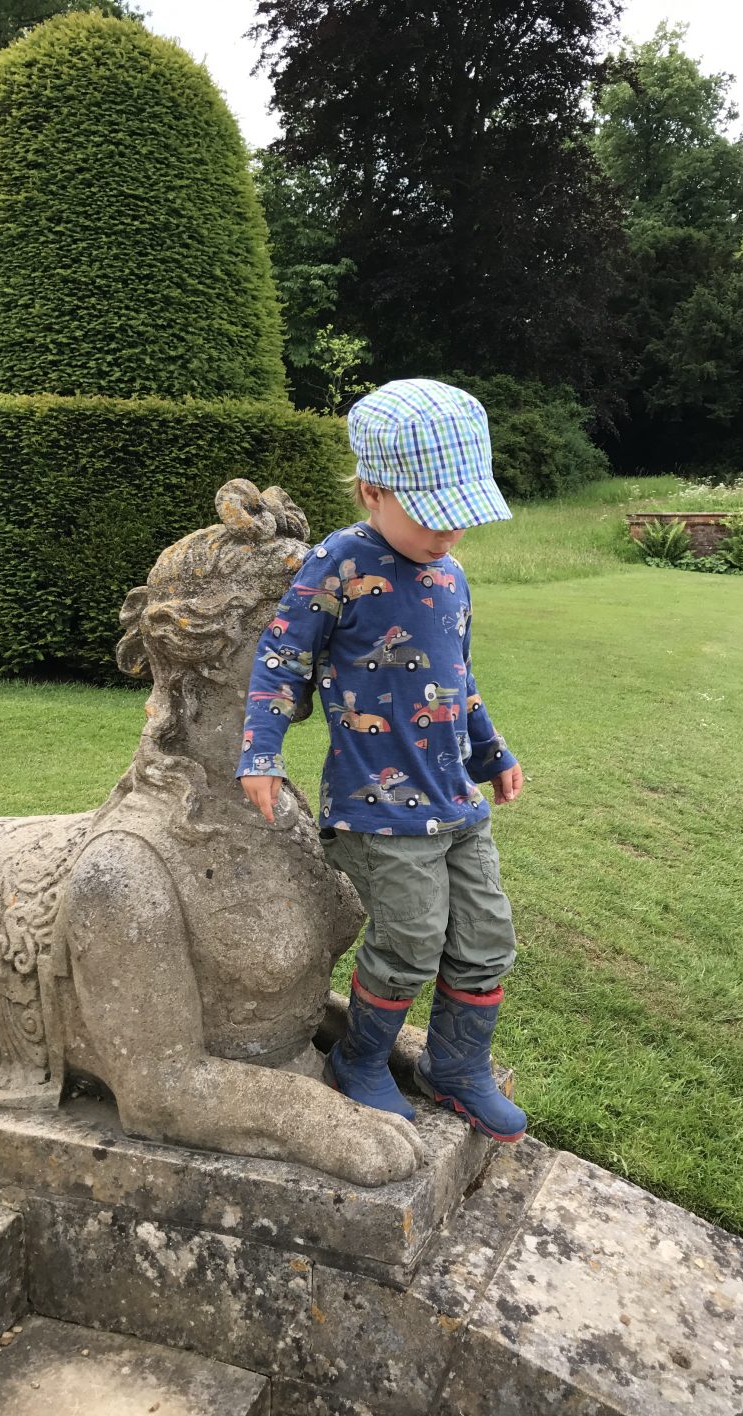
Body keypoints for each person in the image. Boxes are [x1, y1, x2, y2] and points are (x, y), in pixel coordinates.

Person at [236, 378, 526, 1142]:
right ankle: (360, 1061)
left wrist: (492, 752)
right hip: (378, 810)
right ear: (372, 491)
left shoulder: (451, 577)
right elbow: (281, 657)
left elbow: (456, 680)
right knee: (408, 942)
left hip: (456, 803)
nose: (448, 533)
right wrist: (260, 752)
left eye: (461, 515)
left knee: (486, 940)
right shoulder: (339, 562)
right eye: (432, 514)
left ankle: (455, 1068)